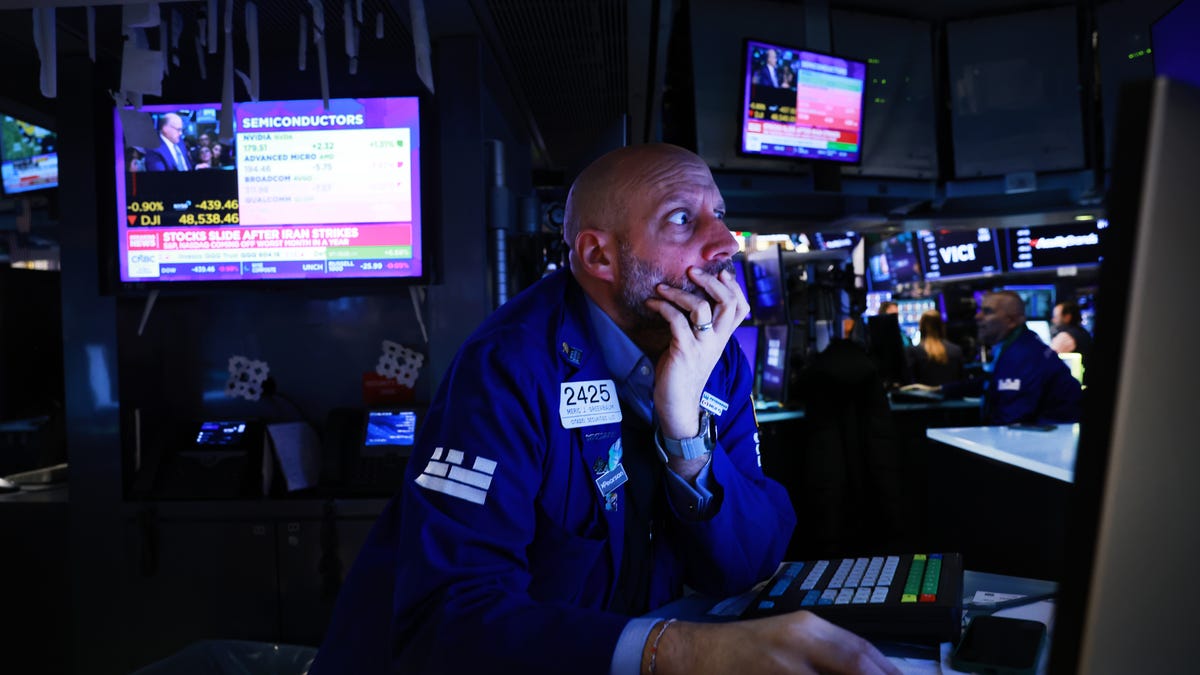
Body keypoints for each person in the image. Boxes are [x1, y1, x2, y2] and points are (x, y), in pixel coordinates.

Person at [310, 143, 900, 675]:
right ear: (599, 256)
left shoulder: (715, 356)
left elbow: (751, 564)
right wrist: (687, 651)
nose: (726, 243)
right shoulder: (506, 369)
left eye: (720, 215)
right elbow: (448, 623)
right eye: (682, 219)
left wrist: (684, 428)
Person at [940, 291, 1081, 425]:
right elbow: (994, 380)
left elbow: (1011, 421)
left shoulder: (1023, 355)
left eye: (987, 311)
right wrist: (942, 389)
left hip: (1044, 443)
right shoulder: (1018, 345)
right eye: (980, 310)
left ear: (1011, 321)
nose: (978, 317)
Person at [905, 309, 964, 387]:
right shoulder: (956, 350)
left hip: (923, 398)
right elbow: (961, 381)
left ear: (921, 327)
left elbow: (909, 382)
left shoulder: (913, 351)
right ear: (941, 326)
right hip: (951, 397)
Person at [1049, 300, 1092, 373]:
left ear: (1067, 317)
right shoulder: (1083, 332)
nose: (1053, 320)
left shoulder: (1066, 336)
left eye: (1056, 317)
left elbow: (1048, 358)